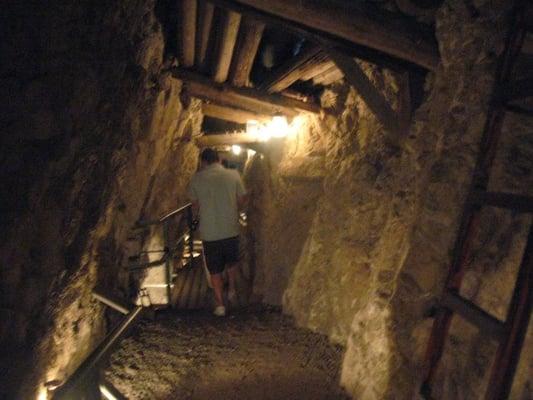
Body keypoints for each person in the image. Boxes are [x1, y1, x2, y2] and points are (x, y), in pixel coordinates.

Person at [188, 148, 247, 317]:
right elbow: (242, 199)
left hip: (210, 232)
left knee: (214, 269)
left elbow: (194, 204)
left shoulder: (196, 179)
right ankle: (233, 289)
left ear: (203, 162)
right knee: (231, 262)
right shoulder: (233, 175)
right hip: (230, 228)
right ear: (219, 160)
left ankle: (220, 304)